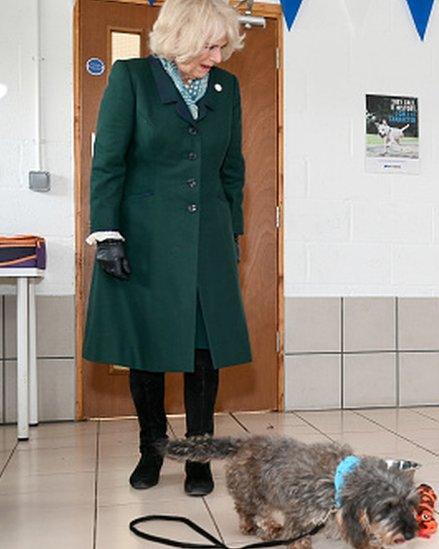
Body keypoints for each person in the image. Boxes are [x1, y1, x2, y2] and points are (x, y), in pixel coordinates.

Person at [83, 0, 251, 496]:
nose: (218, 57)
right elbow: (108, 163)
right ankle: (152, 448)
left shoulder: (227, 88)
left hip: (208, 243)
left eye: (224, 46)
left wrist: (232, 234)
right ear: (179, 37)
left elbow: (231, 170)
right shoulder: (131, 78)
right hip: (146, 241)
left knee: (205, 354)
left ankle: (198, 456)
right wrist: (106, 233)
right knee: (147, 351)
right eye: (210, 45)